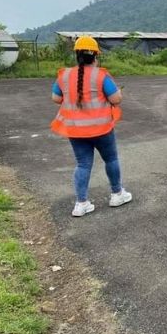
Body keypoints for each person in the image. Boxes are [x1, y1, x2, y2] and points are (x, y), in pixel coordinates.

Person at [50, 36, 131, 217]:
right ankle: (117, 194)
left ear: (77, 54)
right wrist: (118, 93)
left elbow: (56, 98)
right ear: (95, 55)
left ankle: (81, 203)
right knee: (110, 159)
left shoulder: (64, 75)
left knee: (83, 164)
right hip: (102, 129)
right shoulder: (101, 75)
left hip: (75, 130)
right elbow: (115, 100)